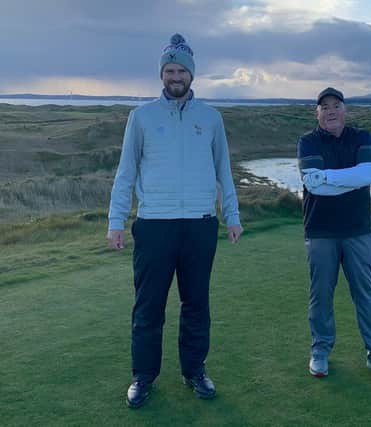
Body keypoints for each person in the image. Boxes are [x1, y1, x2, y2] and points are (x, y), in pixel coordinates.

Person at [107, 33, 243, 407]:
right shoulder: (141, 117)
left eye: (182, 69)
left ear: (192, 74)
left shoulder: (211, 119)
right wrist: (115, 222)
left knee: (196, 304)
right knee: (148, 306)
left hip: (200, 225)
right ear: (162, 74)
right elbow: (125, 173)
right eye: (169, 69)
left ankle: (195, 371)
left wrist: (231, 215)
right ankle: (143, 377)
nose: (176, 76)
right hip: (154, 225)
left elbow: (223, 172)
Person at [297, 87, 371, 382]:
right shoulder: (308, 141)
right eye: (324, 107)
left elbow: (366, 175)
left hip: (357, 231)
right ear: (317, 113)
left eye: (336, 105)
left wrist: (328, 177)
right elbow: (313, 187)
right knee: (321, 296)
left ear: (344, 110)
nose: (330, 111)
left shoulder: (361, 137)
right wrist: (348, 180)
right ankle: (320, 351)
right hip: (320, 231)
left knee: (366, 295)